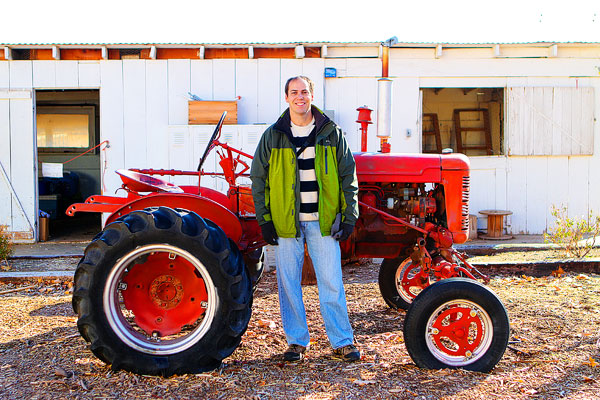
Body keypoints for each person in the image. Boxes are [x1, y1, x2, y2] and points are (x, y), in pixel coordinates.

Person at [250, 76, 360, 362]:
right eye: (294, 92)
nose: (300, 97)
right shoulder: (273, 135)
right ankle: (296, 342)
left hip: (323, 222)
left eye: (304, 91)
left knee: (331, 282)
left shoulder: (330, 133)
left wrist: (349, 216)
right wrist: (265, 220)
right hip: (287, 223)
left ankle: (342, 341)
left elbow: (349, 175)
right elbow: (258, 180)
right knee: (288, 285)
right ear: (286, 97)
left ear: (312, 95)